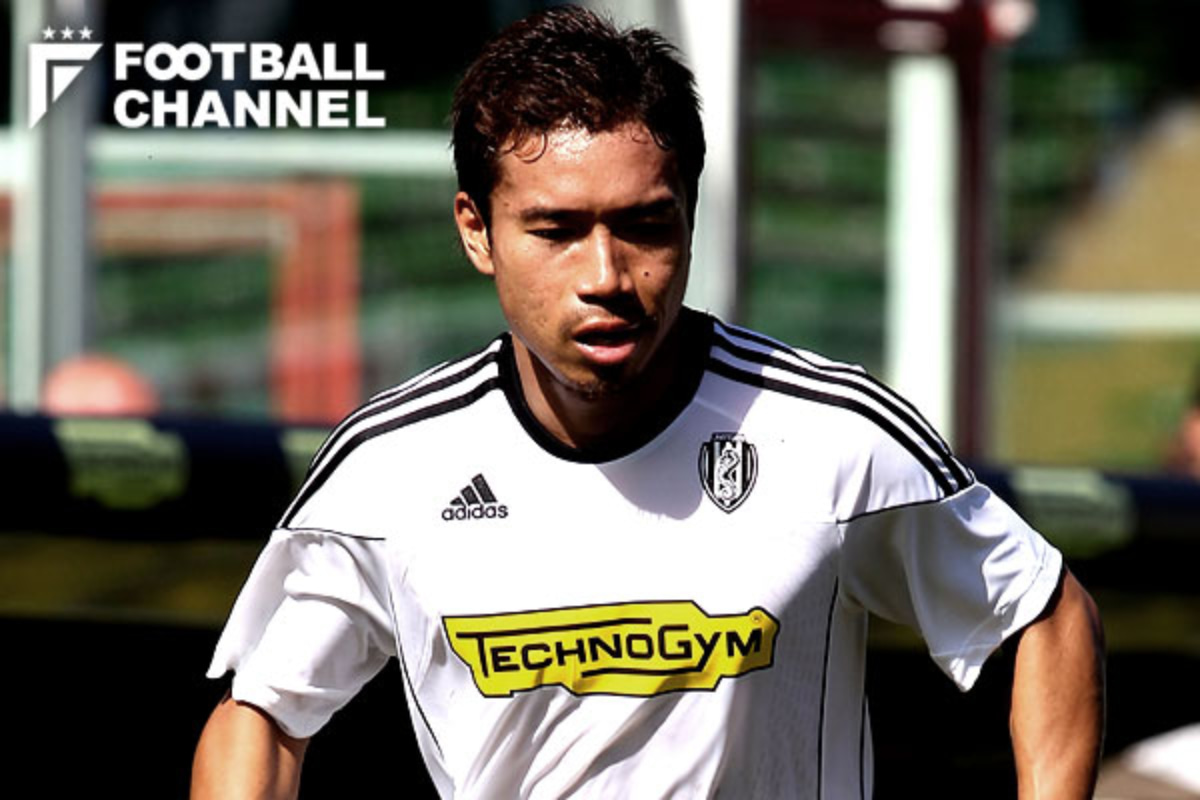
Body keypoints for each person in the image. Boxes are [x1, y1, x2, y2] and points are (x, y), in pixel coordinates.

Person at [191, 6, 1105, 798]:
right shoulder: (389, 469)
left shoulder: (834, 435)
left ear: (691, 212)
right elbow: (259, 716)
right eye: (555, 229)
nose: (607, 275)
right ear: (477, 231)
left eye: (644, 225)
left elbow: (1044, 612)